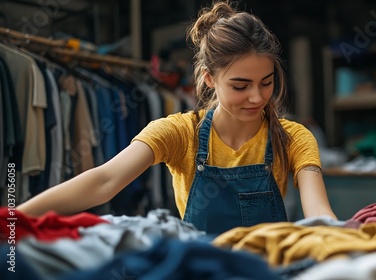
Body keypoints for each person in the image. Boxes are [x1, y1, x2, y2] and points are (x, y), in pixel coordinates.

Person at [17, 0, 337, 235]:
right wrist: (13, 221)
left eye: (266, 82)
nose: (257, 97)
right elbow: (104, 180)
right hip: (197, 269)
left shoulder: (293, 137)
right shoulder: (179, 132)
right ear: (209, 78)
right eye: (240, 85)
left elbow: (319, 212)